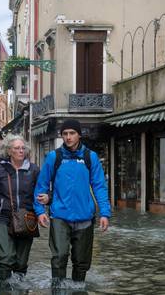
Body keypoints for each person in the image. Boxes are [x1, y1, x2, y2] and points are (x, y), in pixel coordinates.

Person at [33, 119, 111, 287]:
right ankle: (57, 290)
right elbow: (41, 186)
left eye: (72, 133)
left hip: (85, 217)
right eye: (65, 134)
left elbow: (99, 186)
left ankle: (78, 290)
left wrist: (104, 213)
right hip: (60, 216)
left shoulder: (90, 157)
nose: (68, 137)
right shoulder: (54, 157)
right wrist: (40, 211)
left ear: (79, 135)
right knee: (59, 257)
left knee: (81, 262)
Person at [0, 135, 40, 290]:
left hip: (27, 219)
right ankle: (4, 289)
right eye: (16, 148)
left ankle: (19, 290)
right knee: (6, 258)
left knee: (21, 262)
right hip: (3, 217)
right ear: (9, 151)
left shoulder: (34, 170)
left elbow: (44, 192)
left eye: (22, 148)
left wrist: (47, 203)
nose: (20, 150)